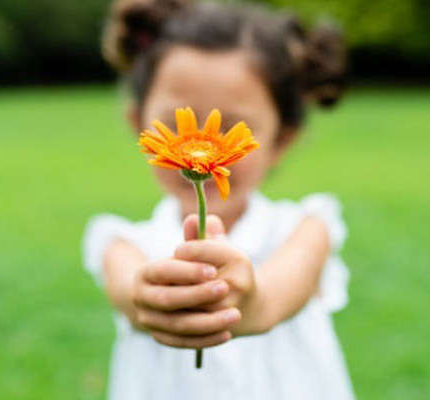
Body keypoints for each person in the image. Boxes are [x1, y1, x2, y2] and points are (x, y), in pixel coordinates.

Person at [83, 0, 354, 398]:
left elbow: (281, 292)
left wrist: (252, 303)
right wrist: (151, 298)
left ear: (281, 140)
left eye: (232, 131)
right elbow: (130, 291)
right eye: (177, 126)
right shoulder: (122, 243)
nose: (201, 151)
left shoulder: (306, 228)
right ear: (138, 125)